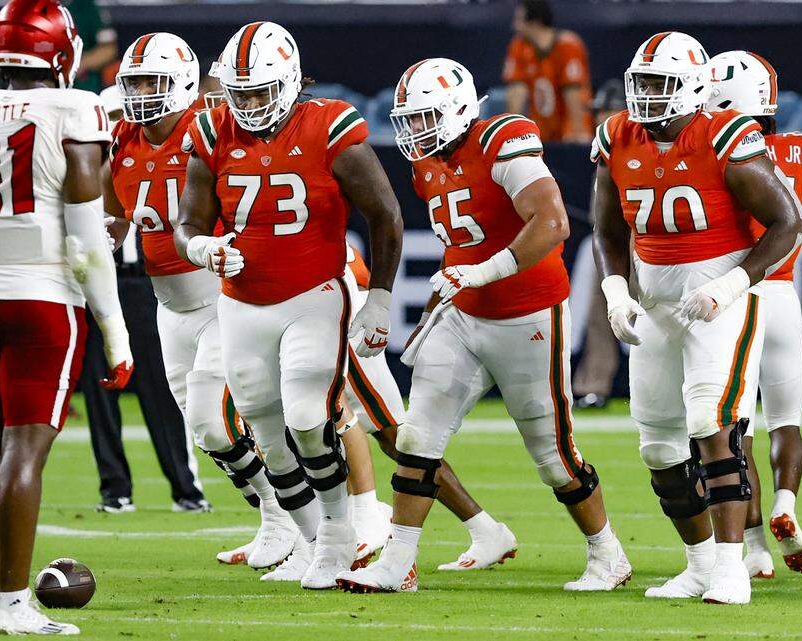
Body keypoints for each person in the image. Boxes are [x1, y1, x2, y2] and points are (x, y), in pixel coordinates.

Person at [338, 57, 630, 594]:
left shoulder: (502, 138)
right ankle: (399, 562)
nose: (415, 131)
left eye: (425, 117)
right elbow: (458, 250)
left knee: (553, 455)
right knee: (417, 435)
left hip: (530, 315)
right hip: (465, 316)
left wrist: (483, 271)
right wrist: (432, 309)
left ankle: (607, 553)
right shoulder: (426, 166)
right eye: (409, 119)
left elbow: (554, 222)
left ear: (456, 109)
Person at [175, 21, 404, 589]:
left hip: (314, 296)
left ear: (290, 83)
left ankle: (337, 538)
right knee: (267, 432)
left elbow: (386, 215)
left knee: (308, 419)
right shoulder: (210, 129)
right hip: (241, 303)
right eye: (240, 91)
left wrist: (378, 299)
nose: (249, 102)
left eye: (260, 91)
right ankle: (313, 543)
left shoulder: (328, 126)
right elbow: (188, 222)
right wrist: (201, 245)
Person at [592, 32, 802, 605]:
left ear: (691, 88)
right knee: (658, 447)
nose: (646, 96)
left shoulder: (724, 137)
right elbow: (608, 228)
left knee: (711, 424)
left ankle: (735, 569)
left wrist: (733, 283)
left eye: (659, 84)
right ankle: (700, 563)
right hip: (657, 303)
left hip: (721, 301)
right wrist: (615, 289)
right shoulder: (617, 137)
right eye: (641, 83)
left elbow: (790, 224)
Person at [0, 0, 133, 633]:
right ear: (62, 52)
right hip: (42, 295)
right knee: (25, 450)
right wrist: (116, 334)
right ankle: (13, 603)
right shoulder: (77, 107)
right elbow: (87, 238)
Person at [104, 32, 298, 568]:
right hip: (170, 305)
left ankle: (301, 521)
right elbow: (114, 208)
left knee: (222, 422)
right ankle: (274, 517)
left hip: (220, 297)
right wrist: (106, 229)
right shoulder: (122, 136)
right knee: (204, 431)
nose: (142, 93)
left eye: (153, 81)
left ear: (185, 83)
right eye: (135, 82)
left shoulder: (207, 130)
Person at [704, 50, 802, 579]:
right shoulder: (799, 151)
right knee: (784, 420)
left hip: (734, 298)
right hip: (785, 297)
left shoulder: (713, 152)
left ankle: (756, 546)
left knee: (733, 431)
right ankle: (786, 502)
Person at [338, 245, 519, 570]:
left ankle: (367, 516)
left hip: (337, 296)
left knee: (400, 439)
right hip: (302, 297)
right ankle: (485, 530)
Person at [572, 78, 627, 410]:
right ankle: (593, 386)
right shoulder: (604, 147)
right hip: (608, 242)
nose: (598, 118)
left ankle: (681, 387)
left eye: (606, 111)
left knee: (665, 314)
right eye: (598, 112)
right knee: (600, 314)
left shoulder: (643, 142)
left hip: (649, 240)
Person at [503, 0, 592, 142]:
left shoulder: (568, 45)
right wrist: (512, 136)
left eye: (520, 20)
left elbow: (574, 93)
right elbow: (516, 92)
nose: (515, 26)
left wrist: (577, 133)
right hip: (540, 130)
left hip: (569, 129)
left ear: (536, 22)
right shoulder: (519, 46)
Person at [66, 0, 117, 93]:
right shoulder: (35, 6)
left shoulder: (86, 6)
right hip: (41, 87)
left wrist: (76, 64)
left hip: (83, 89)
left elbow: (108, 50)